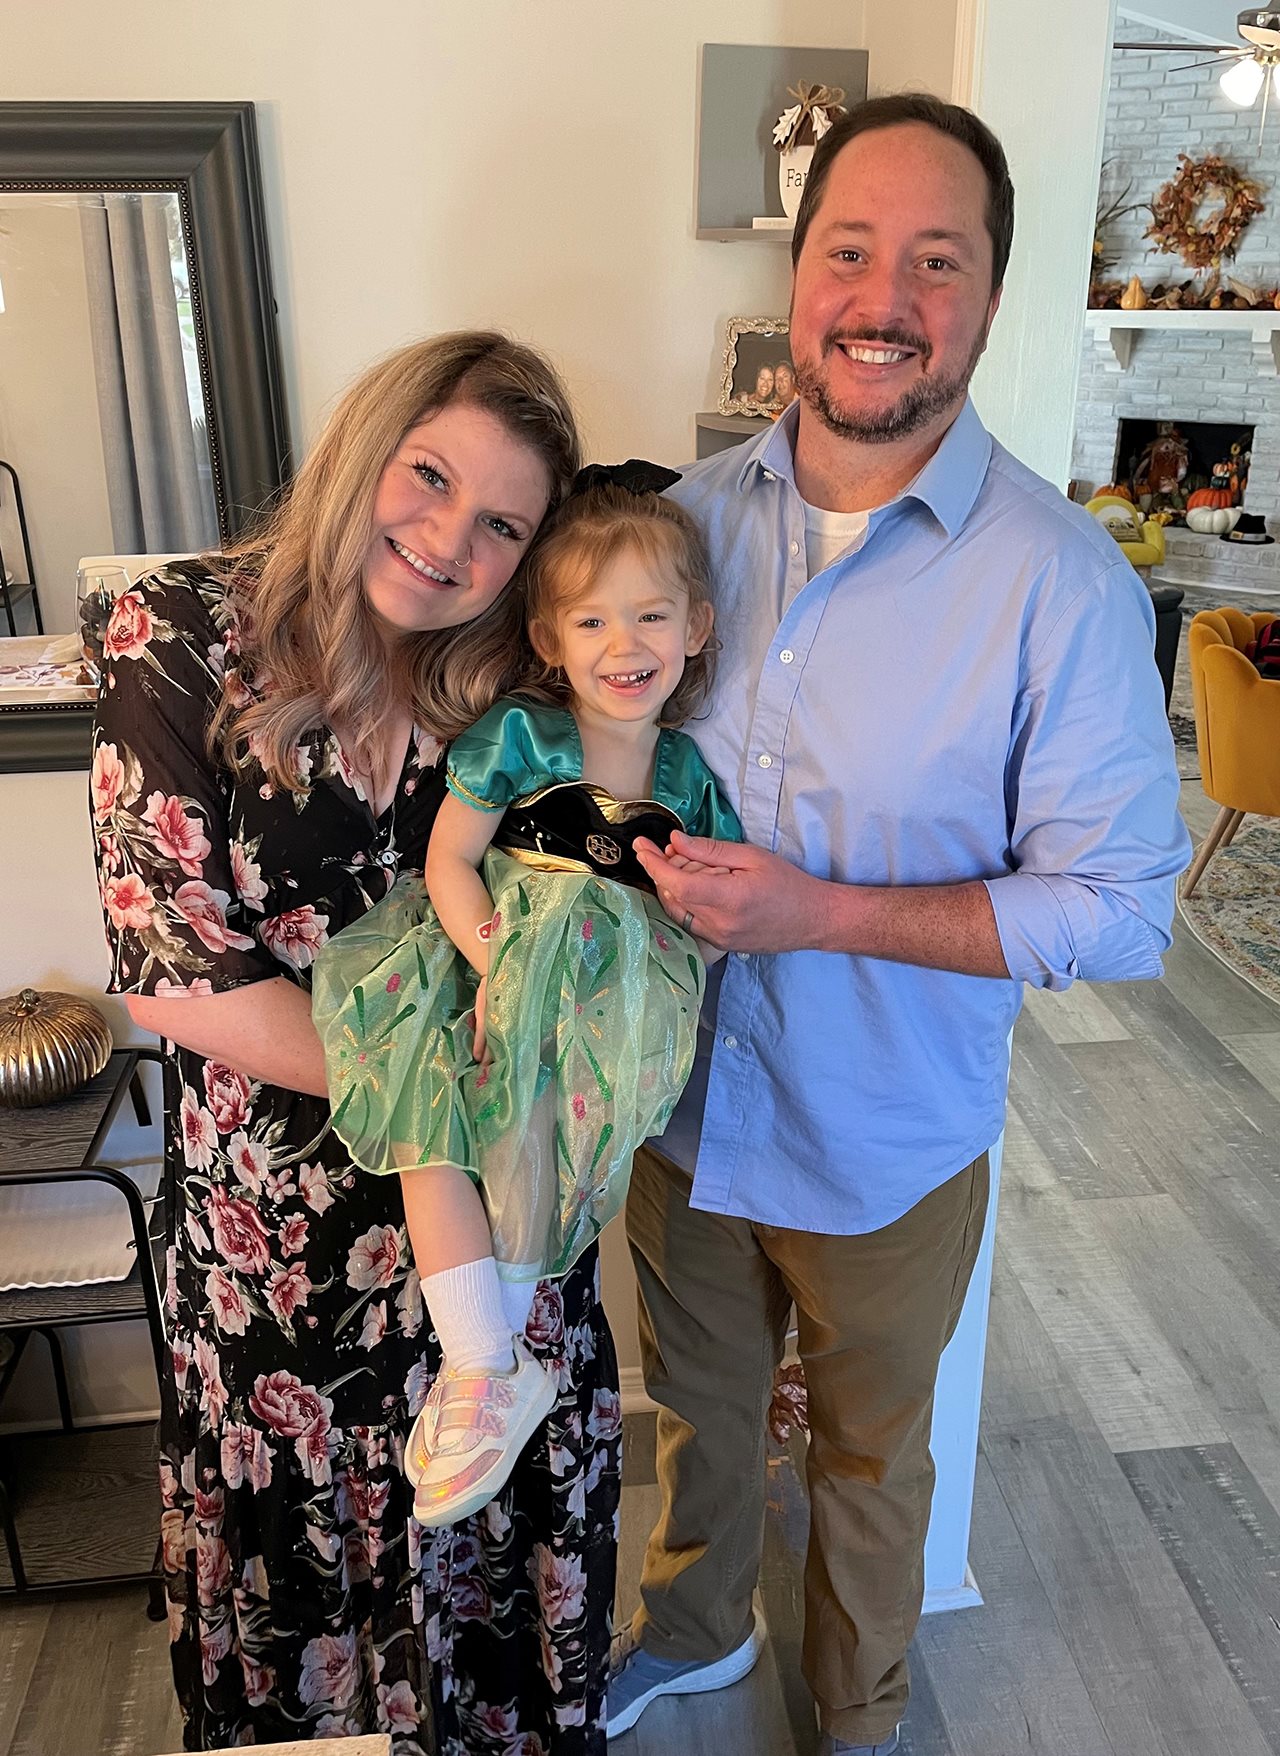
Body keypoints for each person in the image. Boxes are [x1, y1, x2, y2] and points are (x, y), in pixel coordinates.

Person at [607, 96, 1191, 1756]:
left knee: (872, 1456)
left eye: (936, 261)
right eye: (851, 251)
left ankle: (855, 1716)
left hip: (888, 1141)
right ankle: (697, 1632)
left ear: (990, 300)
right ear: (798, 284)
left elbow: (1122, 910)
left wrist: (820, 912)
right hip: (684, 1117)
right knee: (700, 1417)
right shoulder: (685, 527)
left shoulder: (1066, 586)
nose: (885, 296)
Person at [90, 331, 624, 1754]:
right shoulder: (179, 633)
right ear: (364, 448)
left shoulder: (517, 672)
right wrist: (443, 1092)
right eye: (430, 476)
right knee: (309, 1638)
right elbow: (177, 975)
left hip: (502, 1250)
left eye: (504, 523)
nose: (452, 541)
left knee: (496, 1614)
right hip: (288, 1254)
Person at [312, 472, 741, 1530]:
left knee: (539, 1142)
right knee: (431, 1128)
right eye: (591, 619)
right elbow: (449, 859)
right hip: (488, 961)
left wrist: (674, 971)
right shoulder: (522, 736)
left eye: (649, 615)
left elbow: (706, 895)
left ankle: (495, 1368)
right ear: (549, 638)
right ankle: (480, 1365)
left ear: (695, 626)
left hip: (606, 994)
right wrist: (491, 960)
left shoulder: (681, 772)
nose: (622, 642)